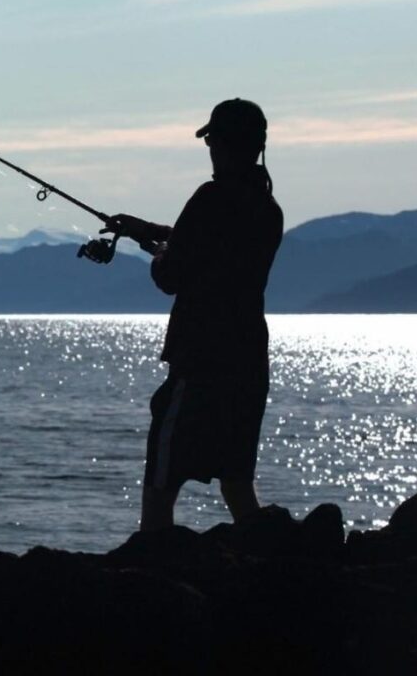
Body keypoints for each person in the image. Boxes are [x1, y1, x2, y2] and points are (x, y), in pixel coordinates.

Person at [103, 98, 283, 529]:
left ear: (222, 144)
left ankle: (152, 562)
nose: (211, 152)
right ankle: (268, 566)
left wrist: (158, 254)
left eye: (213, 142)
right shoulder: (268, 210)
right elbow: (210, 244)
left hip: (201, 363)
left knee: (162, 483)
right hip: (248, 364)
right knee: (237, 482)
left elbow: (173, 275)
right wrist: (148, 231)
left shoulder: (210, 198)